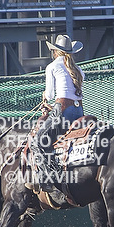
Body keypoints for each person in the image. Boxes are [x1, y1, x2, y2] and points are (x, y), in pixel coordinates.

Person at [28, 34, 85, 192]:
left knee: (37, 141)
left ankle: (48, 179)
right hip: (79, 111)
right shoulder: (78, 70)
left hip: (63, 111)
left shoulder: (52, 67)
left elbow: (51, 94)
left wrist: (45, 98)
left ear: (55, 52)